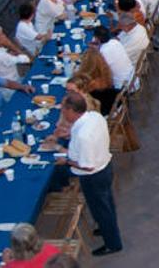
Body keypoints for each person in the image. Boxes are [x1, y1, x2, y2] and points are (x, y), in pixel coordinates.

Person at [52, 91, 122, 256]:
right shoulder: (94, 117)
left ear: (71, 111)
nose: (62, 112)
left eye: (64, 110)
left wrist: (66, 161)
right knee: (107, 204)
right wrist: (68, 134)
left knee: (100, 209)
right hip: (105, 166)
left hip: (94, 176)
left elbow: (87, 166)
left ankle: (113, 243)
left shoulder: (84, 135)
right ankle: (106, 229)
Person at [0, 57, 33, 133]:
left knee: (28, 108)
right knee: (15, 123)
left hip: (3, 105)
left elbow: (7, 83)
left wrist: (23, 87)